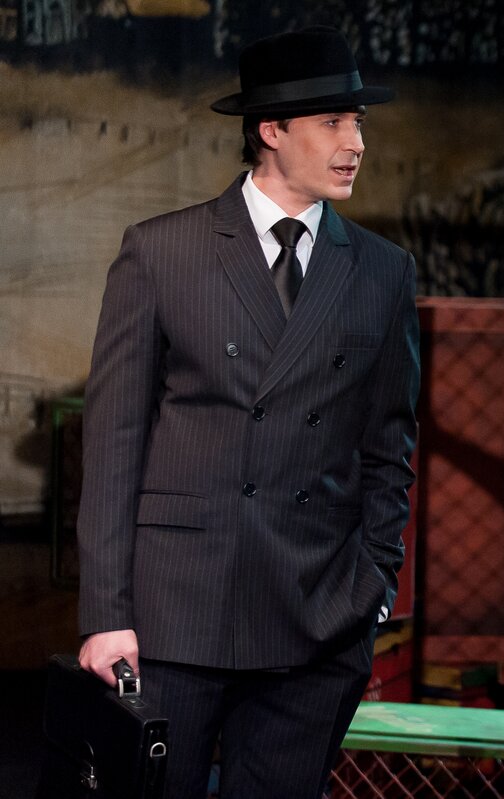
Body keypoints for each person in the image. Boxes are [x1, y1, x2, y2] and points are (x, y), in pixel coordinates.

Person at [74, 26, 419, 799]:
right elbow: (114, 444)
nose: (356, 143)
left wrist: (372, 587)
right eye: (333, 122)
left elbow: (389, 448)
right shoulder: (164, 252)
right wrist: (105, 611)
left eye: (358, 121)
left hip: (315, 616)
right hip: (174, 615)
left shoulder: (383, 271)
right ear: (271, 130)